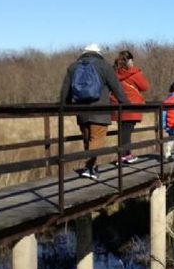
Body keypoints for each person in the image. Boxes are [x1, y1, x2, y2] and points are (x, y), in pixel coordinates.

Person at [60, 43, 129, 180]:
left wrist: (64, 104)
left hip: (81, 110)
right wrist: (125, 103)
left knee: (87, 139)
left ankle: (91, 166)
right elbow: (116, 87)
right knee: (96, 139)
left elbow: (65, 90)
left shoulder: (73, 67)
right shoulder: (104, 66)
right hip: (101, 110)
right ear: (99, 53)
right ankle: (90, 167)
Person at [110, 50, 150, 164]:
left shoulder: (114, 72)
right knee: (127, 131)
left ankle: (126, 154)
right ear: (130, 60)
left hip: (118, 106)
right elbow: (145, 87)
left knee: (123, 131)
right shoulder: (134, 73)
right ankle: (123, 156)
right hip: (131, 106)